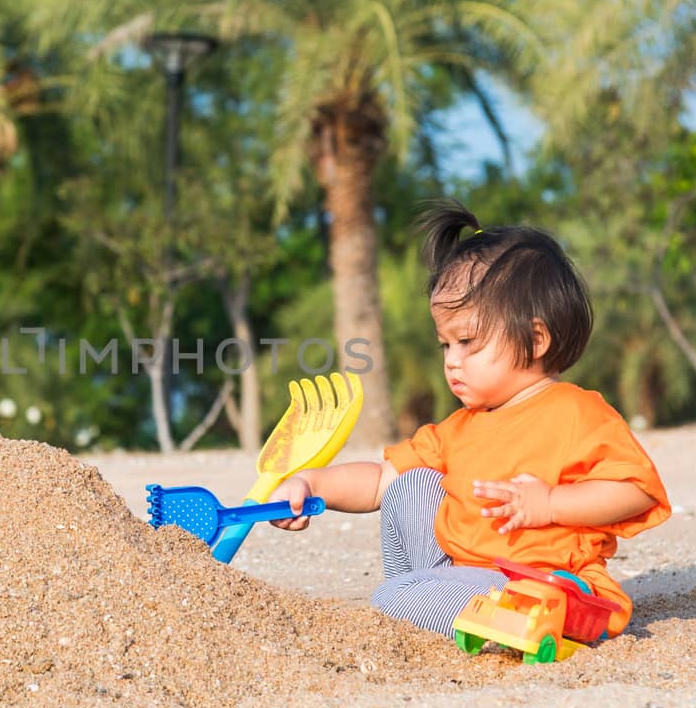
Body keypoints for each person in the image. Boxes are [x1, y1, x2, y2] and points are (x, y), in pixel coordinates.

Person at [267, 199, 670, 639]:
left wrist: (549, 503)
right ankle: (436, 606)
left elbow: (635, 491)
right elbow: (380, 481)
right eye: (445, 345)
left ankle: (479, 614)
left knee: (391, 598)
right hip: (466, 578)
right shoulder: (460, 428)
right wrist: (312, 483)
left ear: (535, 339)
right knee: (410, 486)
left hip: (543, 584)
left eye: (467, 341)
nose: (452, 361)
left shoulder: (576, 413)